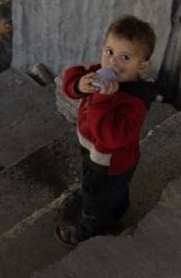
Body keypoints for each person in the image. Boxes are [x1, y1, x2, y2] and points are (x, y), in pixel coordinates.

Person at [55, 15, 159, 246]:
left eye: (125, 57)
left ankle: (89, 231)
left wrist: (102, 100)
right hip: (93, 149)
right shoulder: (100, 72)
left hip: (108, 162)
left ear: (142, 66)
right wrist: (79, 84)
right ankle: (118, 209)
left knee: (96, 195)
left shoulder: (134, 102)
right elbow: (72, 76)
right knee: (114, 191)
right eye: (109, 52)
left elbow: (111, 137)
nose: (113, 63)